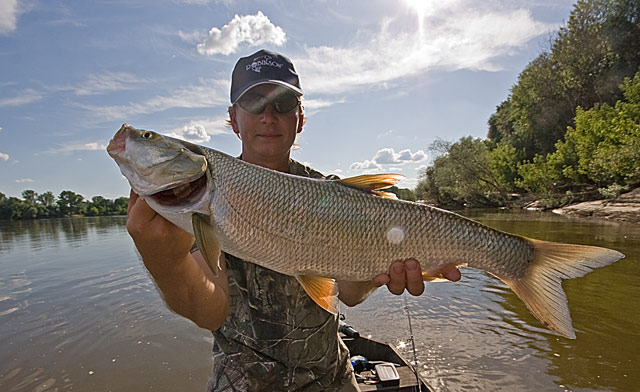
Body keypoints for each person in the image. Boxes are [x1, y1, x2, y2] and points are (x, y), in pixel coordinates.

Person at [126, 49, 461, 391]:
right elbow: (210, 312)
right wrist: (164, 261)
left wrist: (379, 272)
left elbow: (348, 293)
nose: (268, 116)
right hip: (242, 381)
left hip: (330, 375)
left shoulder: (330, 192)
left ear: (299, 118)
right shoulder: (200, 193)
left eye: (282, 103)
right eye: (254, 102)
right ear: (233, 118)